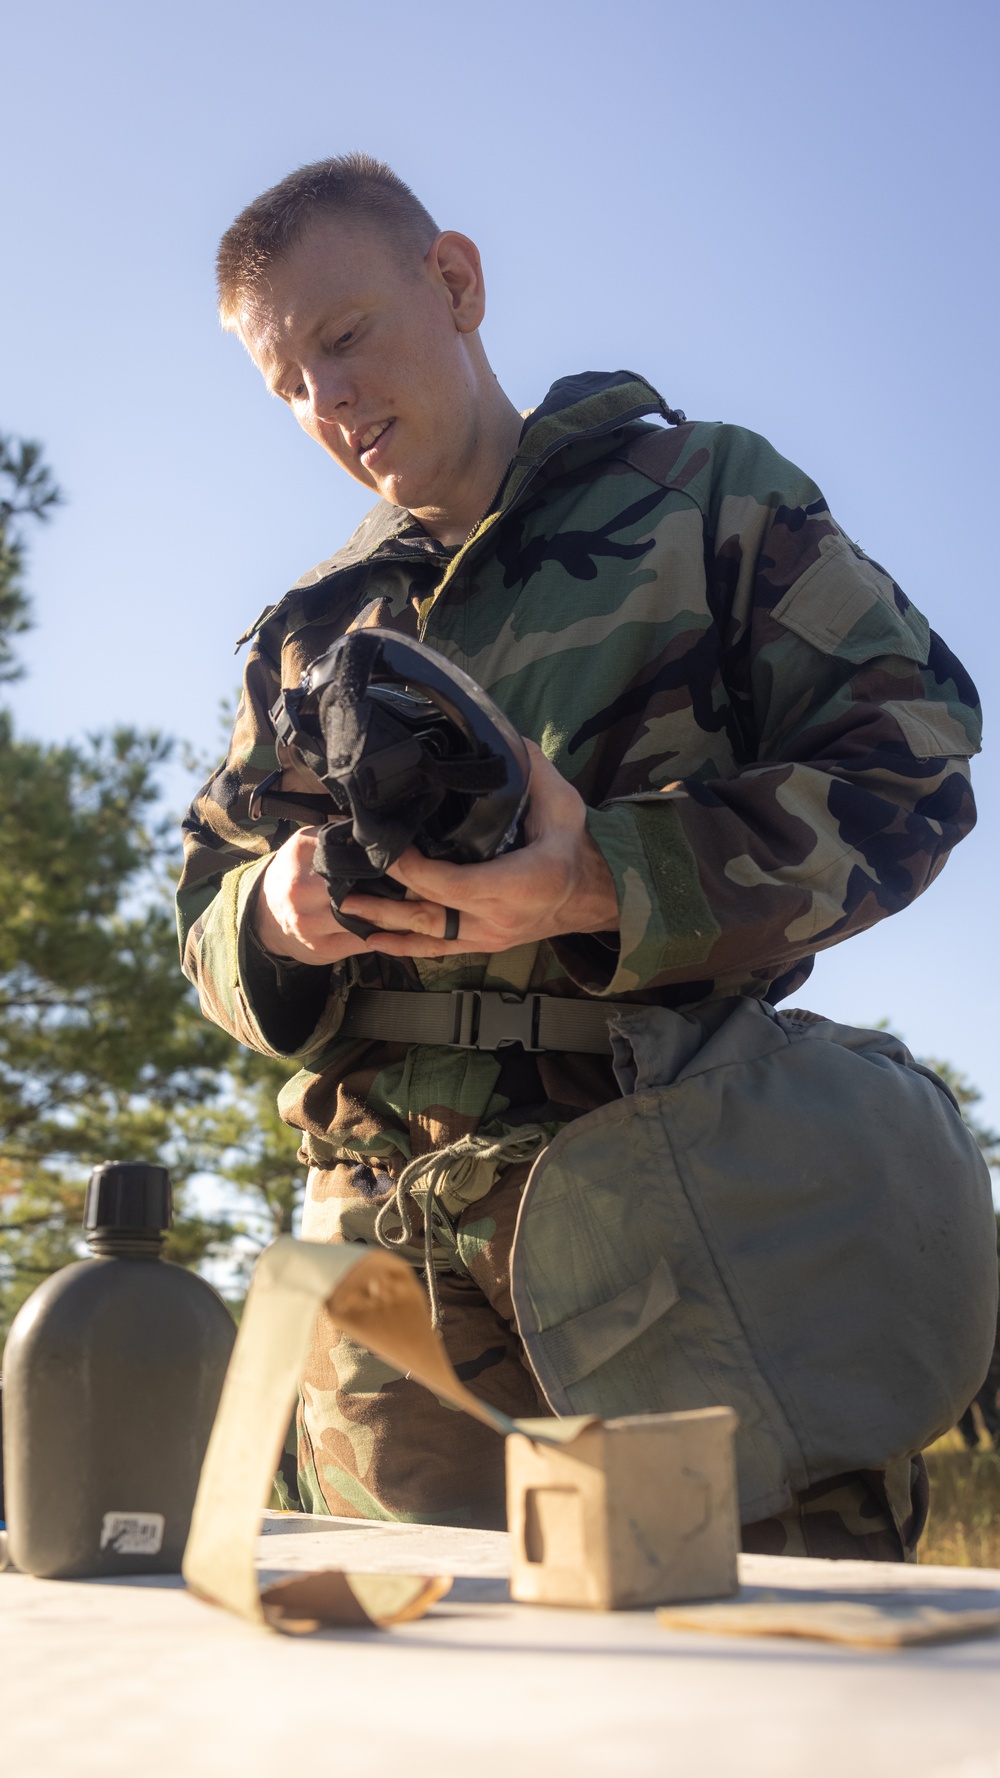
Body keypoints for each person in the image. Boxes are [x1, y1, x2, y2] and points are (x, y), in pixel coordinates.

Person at [178, 153, 983, 1559]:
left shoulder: (703, 497)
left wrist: (611, 877)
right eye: (285, 383)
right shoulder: (301, 639)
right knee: (401, 1720)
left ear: (458, 282)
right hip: (388, 1301)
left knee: (759, 1688)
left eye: (346, 338)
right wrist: (277, 919)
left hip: (676, 1230)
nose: (327, 403)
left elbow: (915, 752)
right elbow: (201, 908)